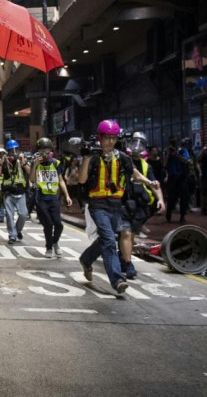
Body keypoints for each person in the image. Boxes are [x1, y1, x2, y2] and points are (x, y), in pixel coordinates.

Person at [78, 120, 159, 294]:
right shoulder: (92, 157)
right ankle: (116, 280)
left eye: (113, 138)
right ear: (100, 138)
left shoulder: (122, 157)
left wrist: (149, 182)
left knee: (105, 239)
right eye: (107, 138)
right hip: (97, 204)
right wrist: (85, 159)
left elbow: (134, 174)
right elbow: (82, 180)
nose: (110, 142)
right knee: (108, 240)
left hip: (115, 205)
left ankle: (86, 259)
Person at [117, 132, 165, 278]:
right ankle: (128, 263)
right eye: (134, 143)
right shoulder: (120, 160)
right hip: (122, 202)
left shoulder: (146, 166)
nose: (137, 148)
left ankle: (124, 258)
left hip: (138, 206)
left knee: (130, 235)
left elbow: (154, 184)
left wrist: (161, 200)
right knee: (126, 233)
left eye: (141, 144)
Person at [29, 138, 72, 258]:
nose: (44, 152)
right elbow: (32, 179)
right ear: (38, 151)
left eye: (46, 149)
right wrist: (36, 165)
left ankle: (55, 242)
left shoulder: (55, 163)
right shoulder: (35, 163)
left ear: (50, 150)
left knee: (59, 224)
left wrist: (67, 195)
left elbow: (61, 180)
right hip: (41, 198)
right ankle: (48, 247)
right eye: (41, 150)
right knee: (48, 224)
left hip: (54, 198)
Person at [0, 139, 30, 244]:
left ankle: (18, 230)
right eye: (11, 150)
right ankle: (12, 235)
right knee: (9, 216)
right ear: (8, 152)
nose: (14, 152)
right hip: (8, 193)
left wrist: (24, 164)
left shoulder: (22, 160)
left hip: (21, 192)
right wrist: (0, 164)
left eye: (15, 150)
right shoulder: (4, 162)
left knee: (23, 214)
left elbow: (30, 172)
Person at [164, 136, 191, 223]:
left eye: (175, 142)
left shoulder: (183, 150)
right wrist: (169, 154)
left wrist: (177, 155)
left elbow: (186, 161)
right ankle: (168, 214)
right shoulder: (167, 151)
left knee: (184, 197)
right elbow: (164, 164)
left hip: (182, 177)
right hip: (172, 177)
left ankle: (182, 216)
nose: (173, 145)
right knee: (171, 197)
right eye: (172, 143)